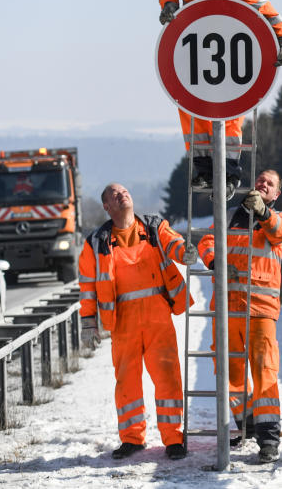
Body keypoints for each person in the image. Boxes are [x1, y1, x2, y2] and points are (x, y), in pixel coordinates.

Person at [158, 0, 282, 194]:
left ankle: (230, 173)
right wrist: (170, 4)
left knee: (230, 117)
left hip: (230, 54)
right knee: (190, 109)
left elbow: (265, 8)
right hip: (194, 49)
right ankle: (202, 169)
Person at [78, 183, 195, 460]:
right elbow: (87, 286)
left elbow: (173, 242)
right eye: (114, 195)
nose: (122, 195)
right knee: (126, 382)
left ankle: (174, 439)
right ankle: (132, 438)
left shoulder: (154, 227)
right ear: (107, 207)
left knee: (167, 378)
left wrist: (185, 253)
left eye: (124, 191)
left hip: (157, 317)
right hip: (123, 322)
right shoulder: (96, 242)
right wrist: (87, 321)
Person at [197, 170, 282, 463]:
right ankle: (248, 424)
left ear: (275, 195)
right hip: (228, 308)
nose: (263, 184)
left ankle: (268, 440)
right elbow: (207, 242)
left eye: (270, 184)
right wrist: (215, 261)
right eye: (260, 180)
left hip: (260, 310)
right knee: (228, 373)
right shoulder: (228, 216)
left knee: (265, 373)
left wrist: (262, 211)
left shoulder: (279, 219)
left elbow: (279, 232)